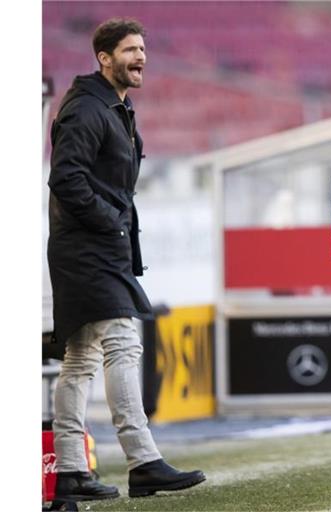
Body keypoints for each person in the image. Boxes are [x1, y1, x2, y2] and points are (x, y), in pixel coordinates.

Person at [47, 18, 205, 502]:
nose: (141, 58)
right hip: (87, 248)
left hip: (94, 247)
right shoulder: (87, 108)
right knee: (122, 342)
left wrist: (113, 227)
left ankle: (71, 470)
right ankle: (144, 461)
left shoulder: (115, 106)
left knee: (80, 359)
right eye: (131, 50)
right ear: (104, 58)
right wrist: (111, 222)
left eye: (144, 50)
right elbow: (66, 178)